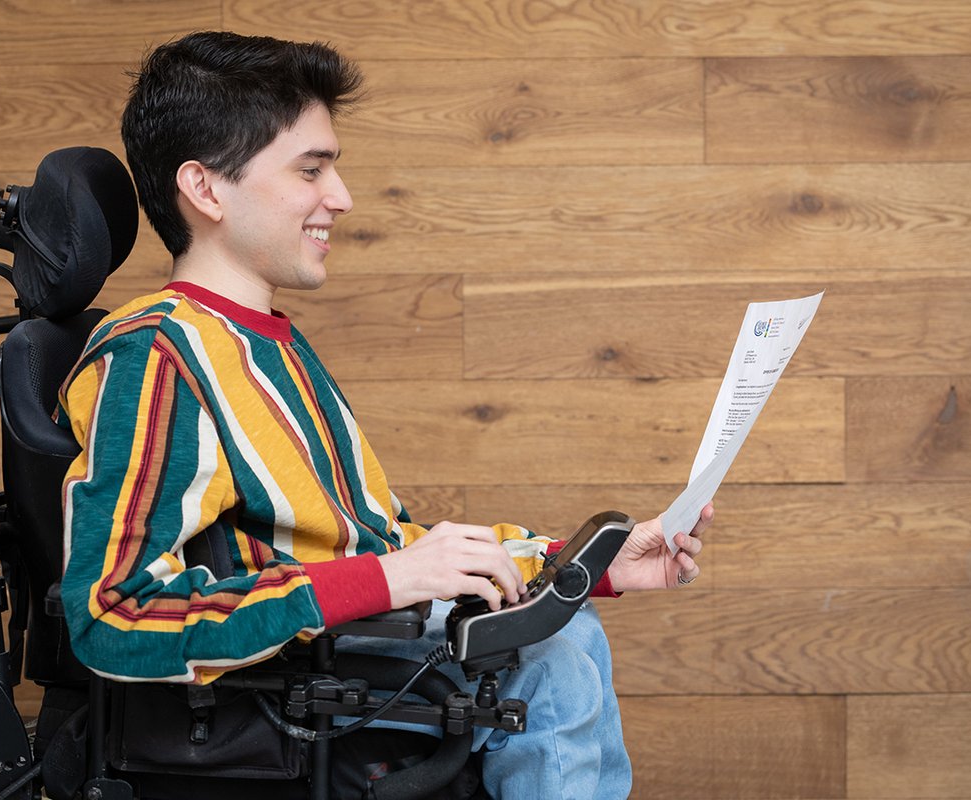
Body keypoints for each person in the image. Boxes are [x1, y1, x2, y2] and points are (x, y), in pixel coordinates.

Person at [56, 30, 712, 799]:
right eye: (310, 170)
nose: (340, 197)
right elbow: (112, 616)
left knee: (569, 631)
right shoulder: (159, 356)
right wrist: (378, 579)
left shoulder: (268, 344)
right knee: (552, 665)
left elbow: (381, 544)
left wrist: (578, 565)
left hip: (352, 652)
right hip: (288, 691)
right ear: (205, 189)